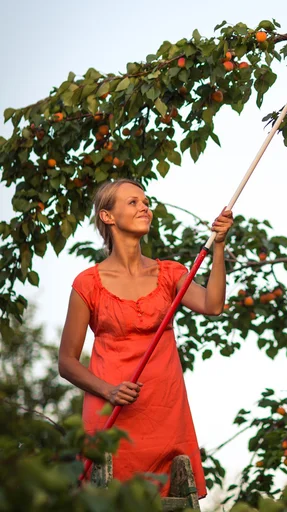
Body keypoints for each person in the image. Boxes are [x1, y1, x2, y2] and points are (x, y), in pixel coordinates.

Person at [58, 178, 233, 499]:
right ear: (108, 217)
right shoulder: (87, 284)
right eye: (133, 202)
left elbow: (213, 305)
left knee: (172, 500)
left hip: (164, 414)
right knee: (110, 501)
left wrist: (218, 246)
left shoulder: (169, 273)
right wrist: (108, 390)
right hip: (111, 414)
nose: (145, 207)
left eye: (145, 201)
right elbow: (66, 362)